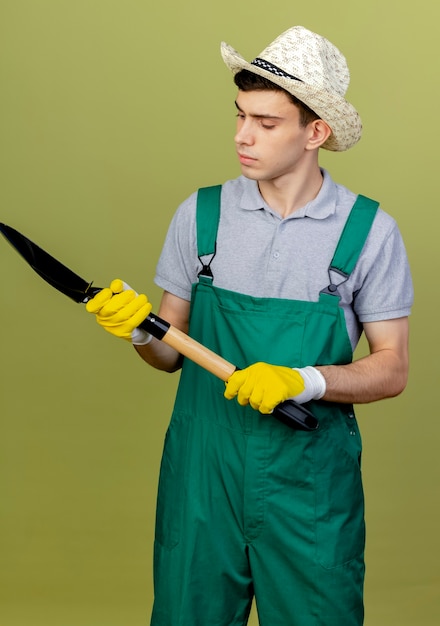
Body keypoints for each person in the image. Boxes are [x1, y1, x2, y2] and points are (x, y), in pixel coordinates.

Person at [86, 26, 413, 626]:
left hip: (309, 484)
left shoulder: (369, 232)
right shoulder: (200, 216)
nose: (242, 135)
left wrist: (302, 381)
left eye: (265, 123)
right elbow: (168, 353)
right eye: (240, 116)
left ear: (315, 132)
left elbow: (392, 367)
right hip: (202, 478)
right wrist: (138, 329)